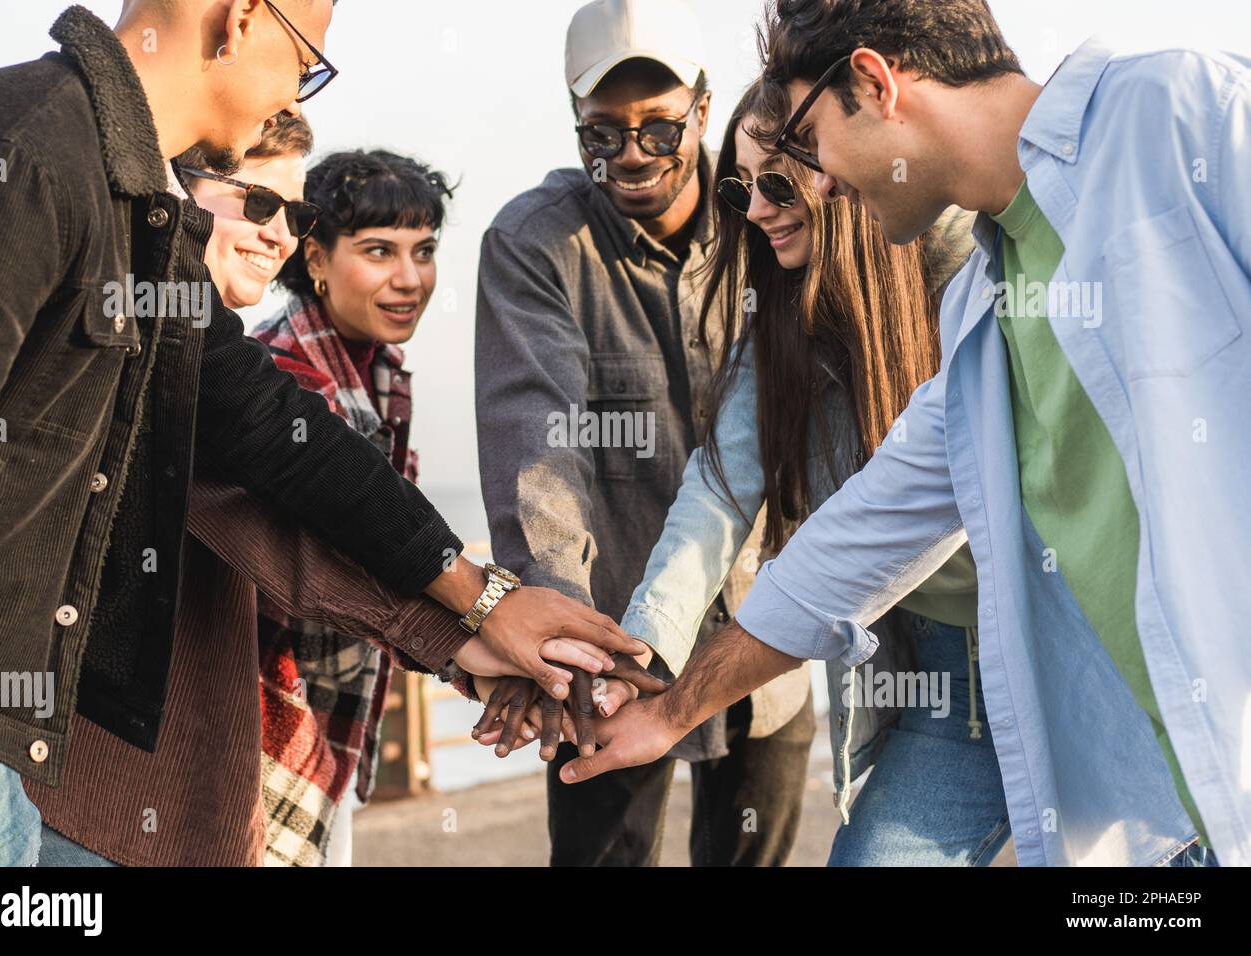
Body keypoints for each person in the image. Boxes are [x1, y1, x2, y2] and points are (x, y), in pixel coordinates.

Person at [0, 0, 643, 867]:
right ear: (240, 20)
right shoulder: (13, 145)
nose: (294, 90)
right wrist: (478, 622)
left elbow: (271, 435)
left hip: (0, 759)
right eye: (306, 59)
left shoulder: (137, 218)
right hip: (57, 770)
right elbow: (266, 515)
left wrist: (478, 617)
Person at [562, 0, 1249, 868]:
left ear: (877, 86)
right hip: (1118, 731)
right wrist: (664, 704)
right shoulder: (983, 315)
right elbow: (847, 544)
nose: (810, 185)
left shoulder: (1176, 111)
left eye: (806, 153)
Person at [610, 79, 1009, 866]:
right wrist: (644, 651)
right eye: (740, 188)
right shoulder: (781, 322)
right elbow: (718, 491)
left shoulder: (973, 265)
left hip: (1062, 647)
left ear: (840, 168)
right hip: (941, 684)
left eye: (780, 183)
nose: (755, 210)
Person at [474, 0, 815, 867]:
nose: (630, 155)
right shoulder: (533, 243)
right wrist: (565, 650)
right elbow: (539, 453)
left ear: (704, 110)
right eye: (604, 132)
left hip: (762, 640)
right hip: (614, 657)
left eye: (659, 130)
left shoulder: (765, 217)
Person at [250, 148, 457, 866]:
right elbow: (336, 569)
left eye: (423, 251)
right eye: (378, 251)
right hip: (262, 725)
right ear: (315, 255)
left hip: (328, 716)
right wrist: (478, 635)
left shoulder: (379, 376)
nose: (410, 278)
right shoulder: (285, 375)